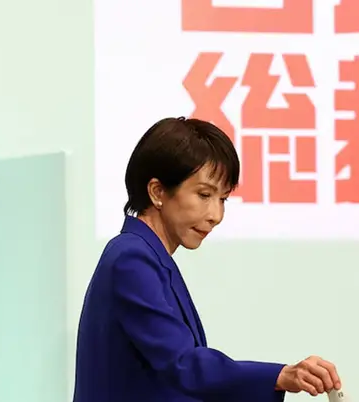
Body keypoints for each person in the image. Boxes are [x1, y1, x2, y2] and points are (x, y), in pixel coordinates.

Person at [73, 117, 341, 402]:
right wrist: (281, 375)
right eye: (204, 195)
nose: (216, 215)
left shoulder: (148, 256)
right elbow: (183, 364)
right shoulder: (132, 258)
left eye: (223, 199)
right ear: (157, 192)